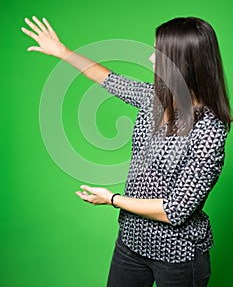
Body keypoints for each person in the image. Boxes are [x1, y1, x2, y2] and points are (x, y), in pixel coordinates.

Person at [21, 16, 232, 287]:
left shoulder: (209, 130)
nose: (151, 59)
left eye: (159, 53)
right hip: (131, 243)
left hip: (178, 256)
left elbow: (175, 210)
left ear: (182, 63)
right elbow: (109, 79)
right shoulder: (154, 99)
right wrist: (62, 51)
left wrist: (112, 199)